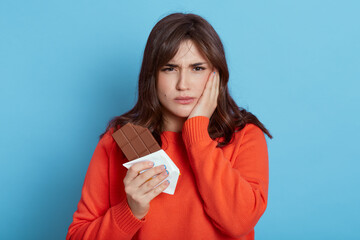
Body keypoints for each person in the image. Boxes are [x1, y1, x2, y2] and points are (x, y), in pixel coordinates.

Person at [66, 12, 272, 240]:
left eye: (197, 68)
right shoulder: (118, 140)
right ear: (152, 75)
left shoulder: (244, 137)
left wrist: (197, 134)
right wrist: (130, 211)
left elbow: (240, 222)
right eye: (169, 68)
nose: (183, 84)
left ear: (216, 75)